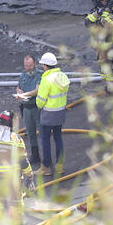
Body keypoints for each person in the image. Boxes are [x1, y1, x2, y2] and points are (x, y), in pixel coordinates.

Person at [36, 51, 71, 182]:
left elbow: (40, 101)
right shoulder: (62, 76)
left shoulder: (46, 79)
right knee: (58, 138)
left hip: (48, 115)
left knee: (45, 140)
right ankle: (60, 166)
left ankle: (46, 167)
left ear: (45, 66)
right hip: (60, 113)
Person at [14, 53, 42, 179]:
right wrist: (19, 92)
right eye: (26, 65)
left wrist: (24, 95)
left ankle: (45, 158)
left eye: (30, 65)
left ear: (34, 64)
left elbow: (37, 91)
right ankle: (35, 155)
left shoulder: (40, 75)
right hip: (26, 109)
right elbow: (18, 86)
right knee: (30, 133)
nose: (28, 68)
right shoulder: (23, 75)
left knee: (42, 132)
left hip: (37, 108)